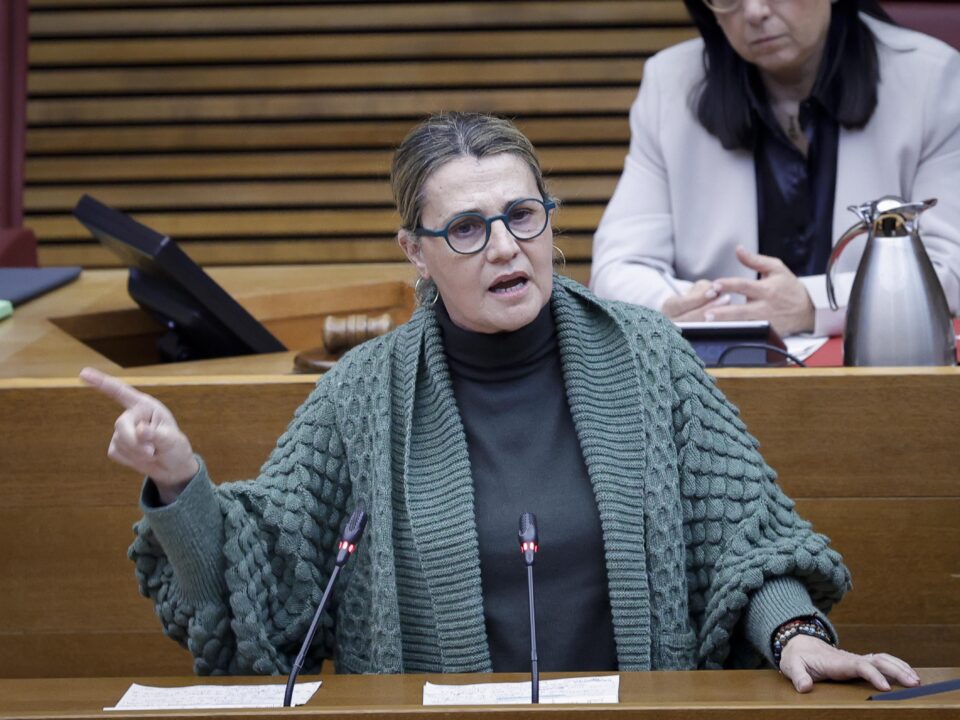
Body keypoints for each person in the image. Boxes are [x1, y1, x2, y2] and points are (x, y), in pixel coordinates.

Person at [82, 112, 918, 693]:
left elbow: (748, 540)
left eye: (523, 215)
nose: (507, 247)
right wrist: (180, 482)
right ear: (415, 251)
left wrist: (793, 633)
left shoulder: (648, 356)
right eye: (467, 228)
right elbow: (262, 572)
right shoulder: (362, 395)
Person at [590, 0, 960, 337]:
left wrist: (812, 305)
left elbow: (951, 267)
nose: (754, 11)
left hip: (877, 361)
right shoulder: (670, 82)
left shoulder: (930, 78)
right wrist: (678, 306)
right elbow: (617, 267)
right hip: (720, 373)